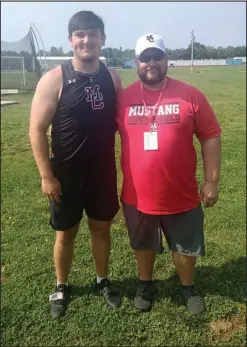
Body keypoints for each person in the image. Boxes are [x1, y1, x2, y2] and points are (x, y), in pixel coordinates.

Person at [116, 33, 222, 313]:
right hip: (137, 195)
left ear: (166, 59)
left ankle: (188, 286)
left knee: (185, 246)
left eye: (156, 56)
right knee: (143, 244)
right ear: (136, 62)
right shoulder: (123, 98)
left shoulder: (190, 94)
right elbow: (97, 129)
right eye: (144, 57)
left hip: (181, 192)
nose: (151, 62)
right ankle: (145, 283)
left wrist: (211, 180)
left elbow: (210, 135)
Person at [29, 10, 123, 318]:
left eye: (93, 34)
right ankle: (61, 285)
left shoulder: (112, 76)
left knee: (101, 228)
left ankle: (101, 280)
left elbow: (123, 122)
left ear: (103, 40)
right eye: (80, 34)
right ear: (71, 40)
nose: (87, 40)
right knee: (65, 234)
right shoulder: (54, 78)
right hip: (65, 175)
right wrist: (46, 176)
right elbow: (37, 130)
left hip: (103, 173)